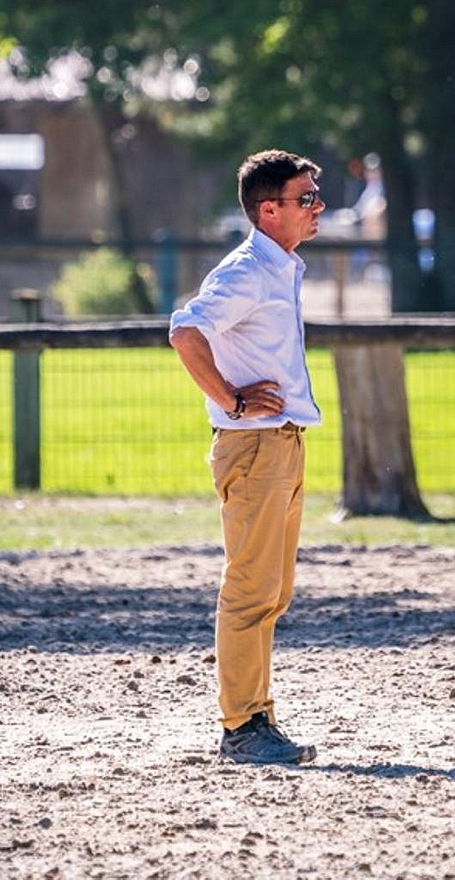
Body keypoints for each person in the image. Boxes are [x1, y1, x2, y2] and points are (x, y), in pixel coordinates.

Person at [169, 148, 325, 765]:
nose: (318, 207)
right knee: (249, 590)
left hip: (281, 443)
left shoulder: (280, 267)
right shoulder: (246, 272)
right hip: (254, 445)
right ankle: (241, 727)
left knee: (272, 591)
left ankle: (257, 716)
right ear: (269, 210)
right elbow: (185, 331)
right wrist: (231, 401)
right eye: (306, 198)